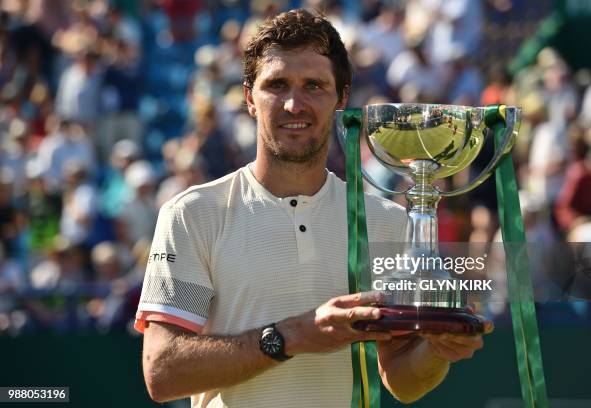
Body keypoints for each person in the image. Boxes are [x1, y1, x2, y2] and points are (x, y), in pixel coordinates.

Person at [135, 9, 490, 407]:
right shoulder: (192, 213)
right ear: (250, 98)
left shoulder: (388, 222)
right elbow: (161, 372)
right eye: (277, 85)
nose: (293, 104)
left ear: (341, 98)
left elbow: (403, 382)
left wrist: (439, 349)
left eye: (314, 86)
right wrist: (293, 336)